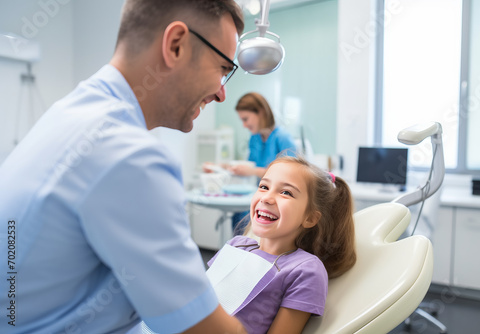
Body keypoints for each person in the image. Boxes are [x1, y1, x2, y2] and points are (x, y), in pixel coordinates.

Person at [0, 1, 248, 333]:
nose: (221, 93)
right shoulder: (126, 155)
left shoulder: (72, 113)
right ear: (176, 45)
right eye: (222, 67)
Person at [206, 156, 357, 334]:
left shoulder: (304, 269)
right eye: (263, 187)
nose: (267, 198)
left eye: (286, 192)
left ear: (310, 218)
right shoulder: (237, 245)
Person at [205, 92, 297, 232]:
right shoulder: (255, 138)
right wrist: (219, 167)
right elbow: (249, 166)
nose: (244, 125)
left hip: (277, 201)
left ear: (260, 112)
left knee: (247, 219)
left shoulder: (282, 138)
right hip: (258, 196)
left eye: (246, 119)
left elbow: (291, 174)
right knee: (240, 217)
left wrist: (252, 171)